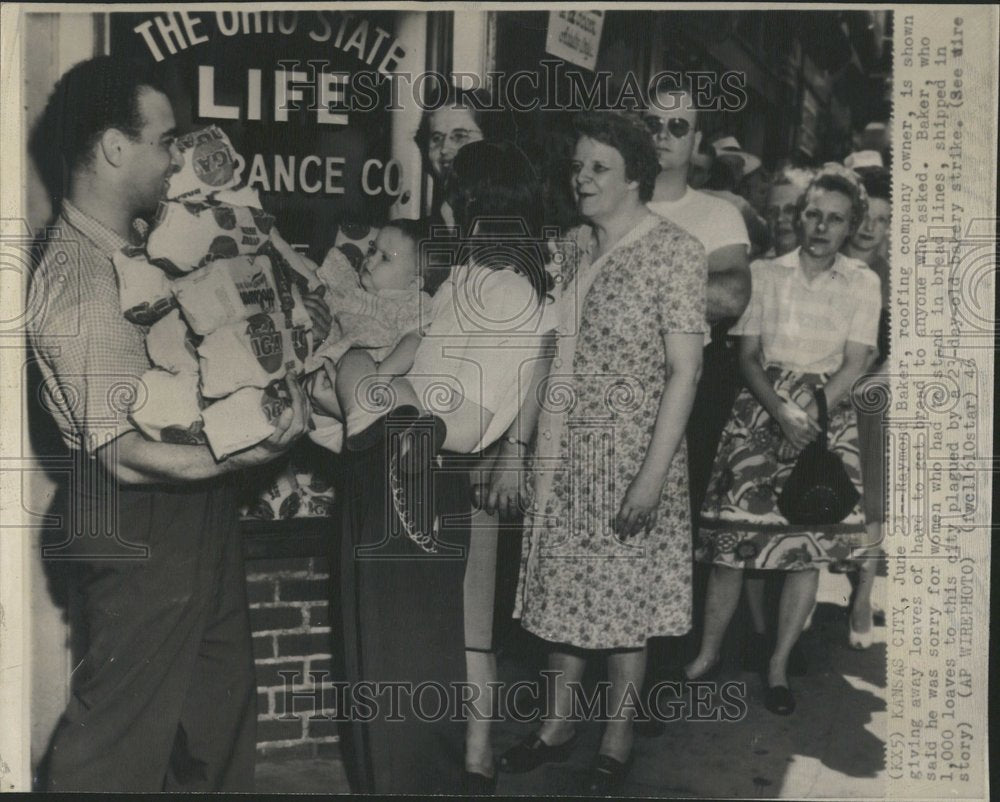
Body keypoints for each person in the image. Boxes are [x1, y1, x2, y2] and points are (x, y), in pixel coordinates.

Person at [26, 56, 311, 792]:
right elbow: (124, 454)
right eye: (164, 140)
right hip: (140, 520)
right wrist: (251, 450)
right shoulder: (80, 280)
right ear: (115, 148)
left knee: (217, 719)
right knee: (117, 744)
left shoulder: (143, 244)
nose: (178, 156)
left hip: (193, 512)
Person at [315, 140, 549, 795]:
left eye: (452, 193)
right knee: (388, 660)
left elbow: (474, 414)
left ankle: (426, 780)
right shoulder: (469, 281)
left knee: (410, 657)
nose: (440, 206)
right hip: (404, 458)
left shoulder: (504, 290)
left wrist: (379, 391)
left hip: (428, 468)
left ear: (480, 206)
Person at [505, 111, 707, 793]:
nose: (581, 177)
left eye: (598, 167)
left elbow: (687, 370)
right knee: (562, 593)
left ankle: (616, 735)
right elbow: (546, 352)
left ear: (634, 179)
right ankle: (557, 724)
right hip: (562, 457)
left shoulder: (674, 251)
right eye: (577, 165)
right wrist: (517, 447)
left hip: (629, 459)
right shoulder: (569, 246)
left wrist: (651, 479)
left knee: (624, 606)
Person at [692, 165, 881, 715]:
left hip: (827, 412)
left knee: (804, 553)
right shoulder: (764, 274)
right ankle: (706, 656)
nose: (822, 227)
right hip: (761, 407)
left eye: (836, 220)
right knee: (733, 545)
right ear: (799, 217)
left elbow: (857, 359)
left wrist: (812, 414)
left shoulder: (862, 282)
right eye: (814, 214)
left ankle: (778, 665)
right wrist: (779, 410)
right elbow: (747, 356)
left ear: (851, 228)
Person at [841, 167, 892, 649]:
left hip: (872, 400)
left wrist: (867, 386)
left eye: (882, 218)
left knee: (872, 504)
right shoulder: (831, 264)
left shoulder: (894, 280)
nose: (870, 227)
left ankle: (862, 598)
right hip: (831, 391)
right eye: (865, 216)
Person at [414, 84, 516, 222]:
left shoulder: (513, 221)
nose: (444, 148)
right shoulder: (415, 235)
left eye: (459, 136)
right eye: (436, 138)